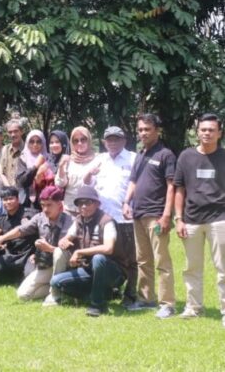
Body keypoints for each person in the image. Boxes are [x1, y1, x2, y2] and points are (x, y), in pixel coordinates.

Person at [123, 114, 177, 319]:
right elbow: (133, 182)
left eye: (147, 129)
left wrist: (166, 215)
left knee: (162, 260)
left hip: (156, 215)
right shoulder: (140, 155)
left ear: (157, 130)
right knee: (143, 260)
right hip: (138, 214)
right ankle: (146, 299)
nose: (143, 133)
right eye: (140, 129)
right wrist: (126, 202)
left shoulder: (166, 155)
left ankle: (168, 304)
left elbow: (172, 187)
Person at [173, 112, 225, 325]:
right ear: (197, 132)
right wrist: (179, 218)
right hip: (191, 219)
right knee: (191, 267)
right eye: (203, 129)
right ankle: (194, 308)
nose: (207, 133)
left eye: (211, 130)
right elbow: (179, 189)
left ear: (219, 133)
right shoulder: (186, 157)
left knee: (223, 268)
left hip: (219, 218)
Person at [50, 186, 131, 316]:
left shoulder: (106, 221)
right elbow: (67, 237)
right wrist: (63, 242)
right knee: (56, 282)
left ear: (97, 204)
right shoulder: (78, 220)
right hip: (89, 269)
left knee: (99, 258)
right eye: (80, 203)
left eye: (88, 202)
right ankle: (103, 294)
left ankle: (98, 305)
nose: (83, 206)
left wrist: (80, 252)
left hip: (113, 272)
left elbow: (108, 248)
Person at [0, 185, 72, 303]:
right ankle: (60, 288)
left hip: (67, 267)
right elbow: (20, 230)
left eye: (49, 205)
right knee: (22, 295)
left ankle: (55, 294)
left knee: (59, 252)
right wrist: (0, 239)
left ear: (59, 204)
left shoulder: (70, 221)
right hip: (47, 265)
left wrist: (49, 248)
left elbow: (66, 252)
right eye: (43, 205)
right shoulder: (40, 217)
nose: (45, 209)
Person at [94, 126, 138, 306]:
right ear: (104, 142)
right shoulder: (100, 159)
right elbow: (87, 182)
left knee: (130, 258)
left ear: (124, 141)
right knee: (108, 256)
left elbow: (138, 184)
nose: (112, 143)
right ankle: (111, 289)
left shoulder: (133, 158)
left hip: (124, 218)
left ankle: (131, 294)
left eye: (116, 139)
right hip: (103, 219)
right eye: (109, 140)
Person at [0, 187, 37, 283]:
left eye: (11, 199)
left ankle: (22, 275)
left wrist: (1, 238)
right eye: (5, 200)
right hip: (10, 254)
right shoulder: (2, 219)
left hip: (29, 254)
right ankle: (12, 276)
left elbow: (21, 230)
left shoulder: (30, 214)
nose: (8, 202)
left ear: (18, 199)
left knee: (29, 276)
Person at [55, 126, 99, 213]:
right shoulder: (68, 159)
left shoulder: (97, 159)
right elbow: (60, 184)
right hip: (70, 208)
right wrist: (61, 167)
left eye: (83, 139)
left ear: (89, 141)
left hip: (90, 209)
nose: (79, 143)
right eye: (76, 141)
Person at [16, 130, 48, 208]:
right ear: (27, 143)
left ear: (43, 143)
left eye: (38, 142)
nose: (35, 144)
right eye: (32, 141)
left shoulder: (48, 158)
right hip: (26, 202)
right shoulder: (23, 159)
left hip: (45, 201)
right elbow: (22, 181)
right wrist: (36, 166)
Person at [34, 130, 70, 194]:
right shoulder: (47, 162)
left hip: (65, 200)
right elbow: (39, 186)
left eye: (57, 142)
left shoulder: (69, 161)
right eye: (51, 142)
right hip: (48, 200)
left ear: (63, 143)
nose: (54, 145)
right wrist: (38, 175)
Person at [0, 119, 24, 188]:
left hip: (23, 191)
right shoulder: (5, 149)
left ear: (21, 132)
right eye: (10, 132)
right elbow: (2, 173)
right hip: (9, 191)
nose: (13, 135)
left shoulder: (27, 150)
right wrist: (9, 188)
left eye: (16, 131)